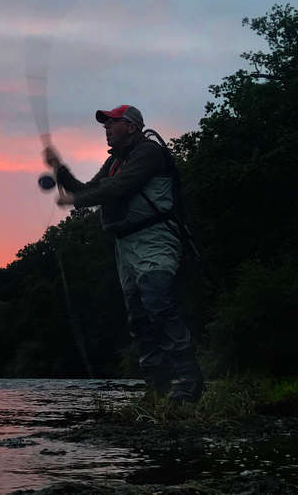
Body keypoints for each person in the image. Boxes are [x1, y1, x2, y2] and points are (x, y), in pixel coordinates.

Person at [42, 104, 205, 403]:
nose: (106, 128)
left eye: (111, 123)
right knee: (138, 318)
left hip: (155, 235)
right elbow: (88, 189)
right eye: (105, 124)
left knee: (157, 301)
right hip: (126, 245)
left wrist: (74, 199)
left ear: (131, 127)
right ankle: (157, 388)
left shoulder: (148, 152)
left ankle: (188, 381)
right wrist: (60, 169)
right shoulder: (115, 161)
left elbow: (117, 189)